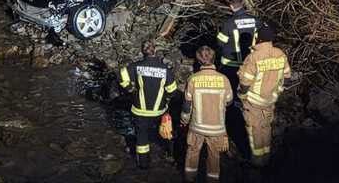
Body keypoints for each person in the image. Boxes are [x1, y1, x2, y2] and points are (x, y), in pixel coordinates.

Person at [237, 23, 292, 167]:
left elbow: (245, 82)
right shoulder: (280, 54)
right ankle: (266, 155)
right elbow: (287, 77)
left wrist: (242, 95)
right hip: (271, 100)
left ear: (258, 38)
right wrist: (278, 90)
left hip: (253, 101)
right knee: (266, 127)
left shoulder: (253, 57)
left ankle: (257, 161)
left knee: (254, 129)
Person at [118, 40, 177, 170]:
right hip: (159, 111)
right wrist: (165, 98)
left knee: (142, 137)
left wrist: (129, 89)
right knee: (165, 133)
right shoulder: (164, 69)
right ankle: (169, 156)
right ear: (155, 51)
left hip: (140, 111)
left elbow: (122, 74)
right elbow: (172, 90)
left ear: (142, 51)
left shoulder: (137, 66)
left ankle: (143, 164)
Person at [181, 46, 232, 182]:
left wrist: (184, 120)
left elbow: (187, 104)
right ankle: (212, 180)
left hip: (197, 127)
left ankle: (189, 177)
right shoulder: (224, 80)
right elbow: (229, 101)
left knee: (192, 153)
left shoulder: (193, 79)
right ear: (214, 59)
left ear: (198, 61)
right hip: (217, 129)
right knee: (214, 157)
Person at [217, 0, 259, 98]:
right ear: (243, 4)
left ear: (231, 6)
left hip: (231, 65)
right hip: (251, 64)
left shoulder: (228, 23)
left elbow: (220, 44)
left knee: (231, 92)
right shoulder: (256, 20)